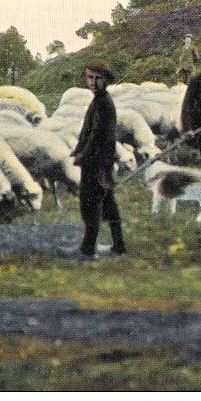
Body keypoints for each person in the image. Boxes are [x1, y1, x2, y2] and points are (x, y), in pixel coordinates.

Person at [70, 60, 125, 258]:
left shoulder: (103, 103)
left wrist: (83, 155)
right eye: (89, 77)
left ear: (107, 80)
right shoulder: (99, 100)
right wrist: (78, 149)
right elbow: (87, 132)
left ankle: (88, 249)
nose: (93, 82)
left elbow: (96, 136)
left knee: (91, 203)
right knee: (108, 203)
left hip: (97, 162)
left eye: (98, 78)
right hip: (100, 160)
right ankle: (118, 246)